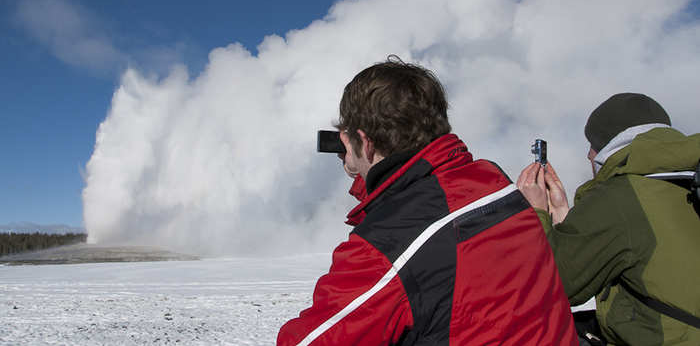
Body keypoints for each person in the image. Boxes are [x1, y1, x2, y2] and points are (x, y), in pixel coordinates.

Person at [278, 57, 577, 345]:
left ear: (365, 142)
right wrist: (363, 170)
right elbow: (417, 188)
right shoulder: (494, 182)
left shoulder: (386, 247)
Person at [517, 93, 700, 345]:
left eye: (592, 145)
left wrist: (535, 213)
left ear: (609, 145)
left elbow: (552, 284)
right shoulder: (687, 176)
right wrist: (564, 218)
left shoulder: (620, 195)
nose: (588, 155)